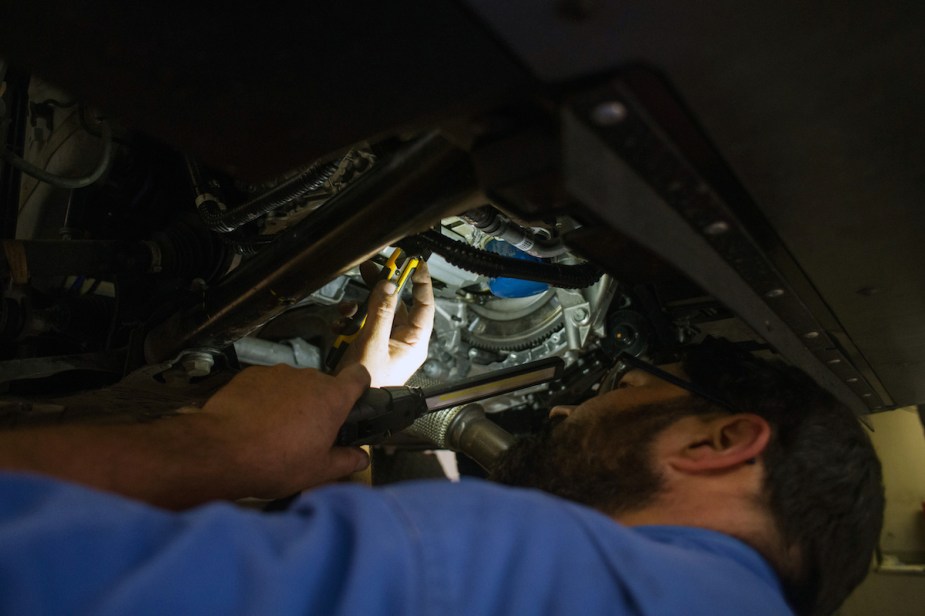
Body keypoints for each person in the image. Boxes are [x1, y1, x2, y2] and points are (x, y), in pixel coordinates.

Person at [0, 264, 883, 616]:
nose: (568, 410)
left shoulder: (533, 569)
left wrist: (213, 447)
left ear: (720, 440)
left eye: (620, 386)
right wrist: (373, 395)